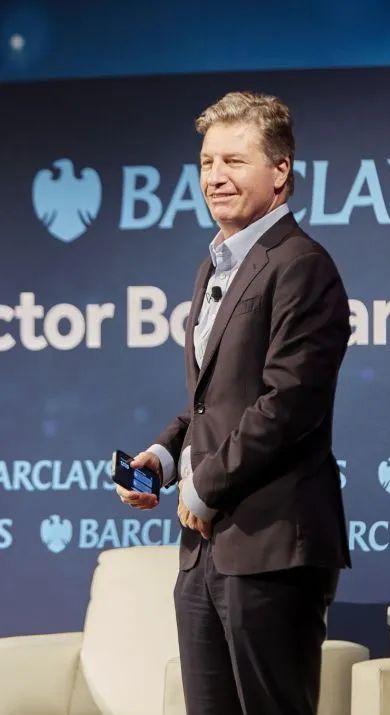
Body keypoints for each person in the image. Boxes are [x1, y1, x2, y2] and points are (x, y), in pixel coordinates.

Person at [116, 90, 351, 715]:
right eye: (206, 162)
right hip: (204, 551)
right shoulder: (214, 266)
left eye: (234, 161)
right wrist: (166, 459)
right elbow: (213, 401)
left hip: (272, 546)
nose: (214, 177)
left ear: (280, 171)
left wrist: (203, 487)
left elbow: (288, 405)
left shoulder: (301, 265)